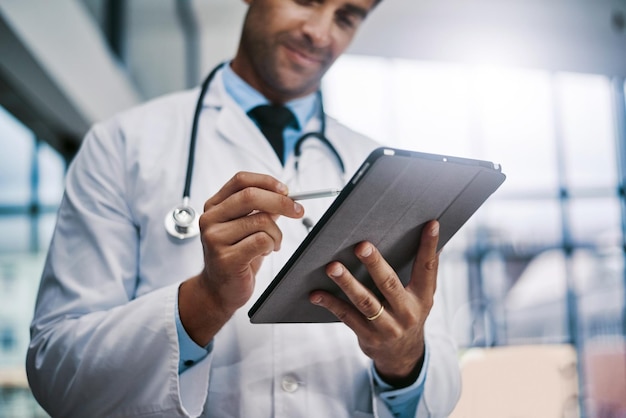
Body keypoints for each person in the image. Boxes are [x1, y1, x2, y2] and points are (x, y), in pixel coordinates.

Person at [26, 0, 461, 416]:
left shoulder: (387, 173)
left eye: (346, 17)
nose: (320, 32)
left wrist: (404, 360)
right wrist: (205, 301)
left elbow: (438, 391)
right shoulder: (122, 146)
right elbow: (57, 373)